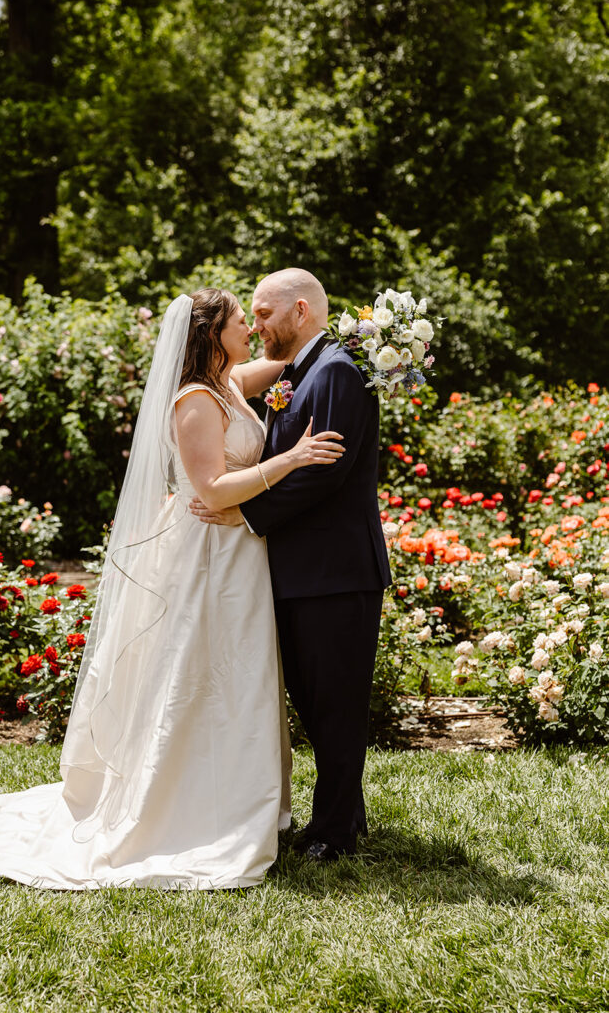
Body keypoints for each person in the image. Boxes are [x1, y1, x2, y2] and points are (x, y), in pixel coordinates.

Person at [0, 289, 344, 890]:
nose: (250, 331)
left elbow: (289, 362)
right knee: (194, 674)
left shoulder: (230, 383)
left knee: (237, 675)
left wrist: (359, 340)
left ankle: (239, 798)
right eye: (239, 323)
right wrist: (294, 458)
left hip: (237, 556)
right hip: (205, 555)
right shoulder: (195, 401)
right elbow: (212, 490)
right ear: (211, 335)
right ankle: (187, 808)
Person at [191, 269, 392, 861]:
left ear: (299, 311)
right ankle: (344, 814)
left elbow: (323, 471)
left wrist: (248, 516)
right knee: (315, 699)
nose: (256, 326)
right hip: (304, 571)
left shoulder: (334, 371)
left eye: (263, 314)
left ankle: (331, 832)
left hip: (335, 572)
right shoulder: (302, 369)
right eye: (248, 317)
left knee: (335, 702)